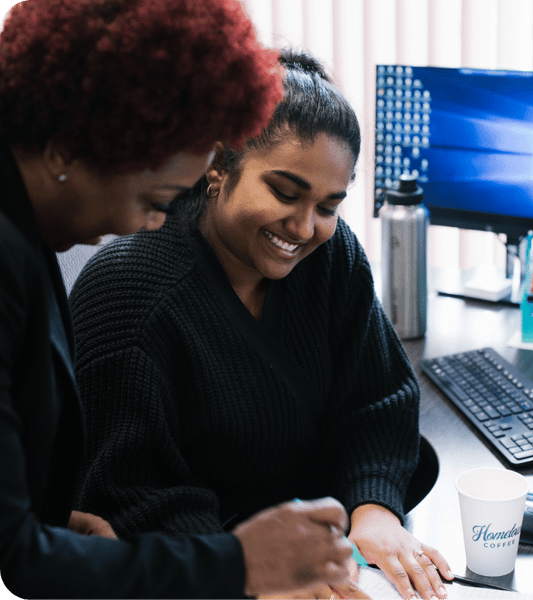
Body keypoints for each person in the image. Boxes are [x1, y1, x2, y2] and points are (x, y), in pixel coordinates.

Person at [0, 2, 354, 598]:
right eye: (157, 197)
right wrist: (236, 563)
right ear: (65, 151)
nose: (152, 223)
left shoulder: (25, 237)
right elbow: (18, 557)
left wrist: (49, 524)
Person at [71, 49, 454, 600]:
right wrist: (248, 573)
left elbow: (378, 398)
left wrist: (374, 513)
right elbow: (134, 496)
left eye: (329, 205)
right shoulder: (128, 295)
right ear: (218, 168)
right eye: (284, 191)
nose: (304, 227)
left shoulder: (332, 256)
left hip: (325, 549)